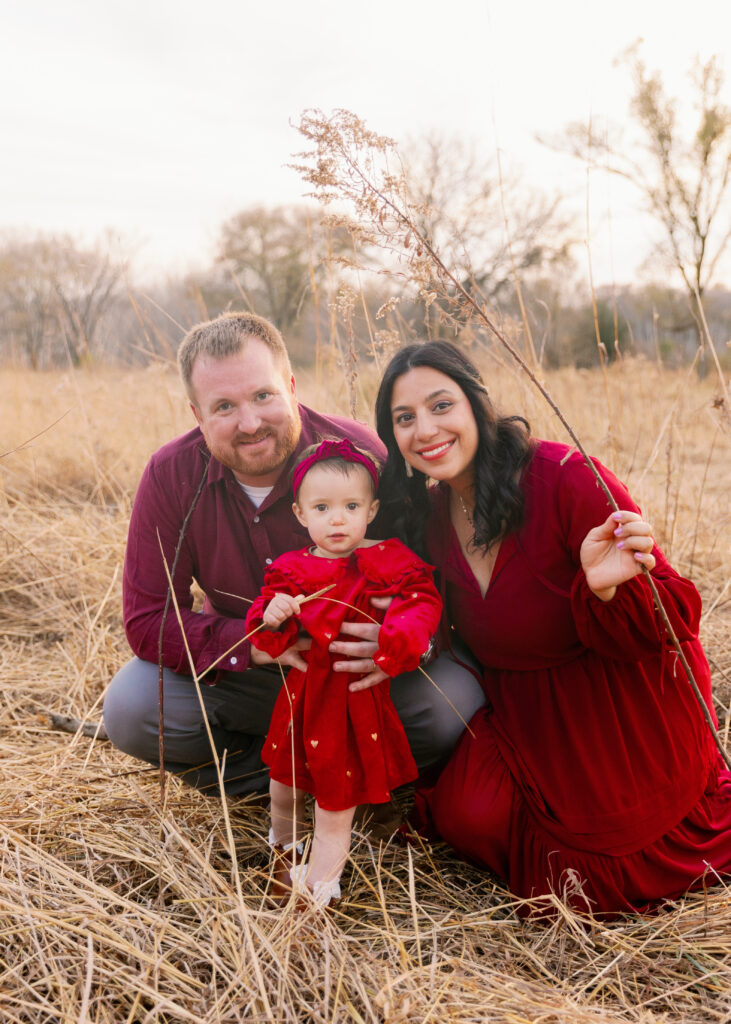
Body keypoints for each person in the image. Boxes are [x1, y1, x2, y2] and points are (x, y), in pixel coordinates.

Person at [373, 339, 731, 916]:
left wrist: (606, 587)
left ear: (475, 404)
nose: (425, 429)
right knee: (470, 816)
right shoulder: (431, 517)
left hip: (621, 693)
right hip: (525, 709)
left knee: (600, 868)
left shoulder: (565, 478)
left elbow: (676, 616)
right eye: (404, 418)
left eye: (441, 405)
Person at [103, 313, 484, 799]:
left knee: (454, 702)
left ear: (291, 386)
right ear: (197, 415)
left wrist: (405, 646)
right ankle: (280, 785)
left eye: (263, 395)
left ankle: (365, 778)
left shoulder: (363, 460)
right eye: (224, 406)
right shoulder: (170, 476)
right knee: (133, 708)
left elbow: (427, 586)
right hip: (248, 672)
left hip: (357, 673)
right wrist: (252, 643)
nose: (250, 422)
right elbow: (148, 618)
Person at [245, 439, 443, 905]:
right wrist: (272, 615)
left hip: (350, 702)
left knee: (336, 800)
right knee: (283, 784)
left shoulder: (390, 561)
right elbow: (263, 620)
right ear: (300, 514)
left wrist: (399, 638)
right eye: (322, 507)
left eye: (350, 506)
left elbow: (421, 602)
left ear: (371, 510)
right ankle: (285, 852)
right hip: (302, 696)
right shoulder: (293, 570)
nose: (337, 519)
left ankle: (319, 890)